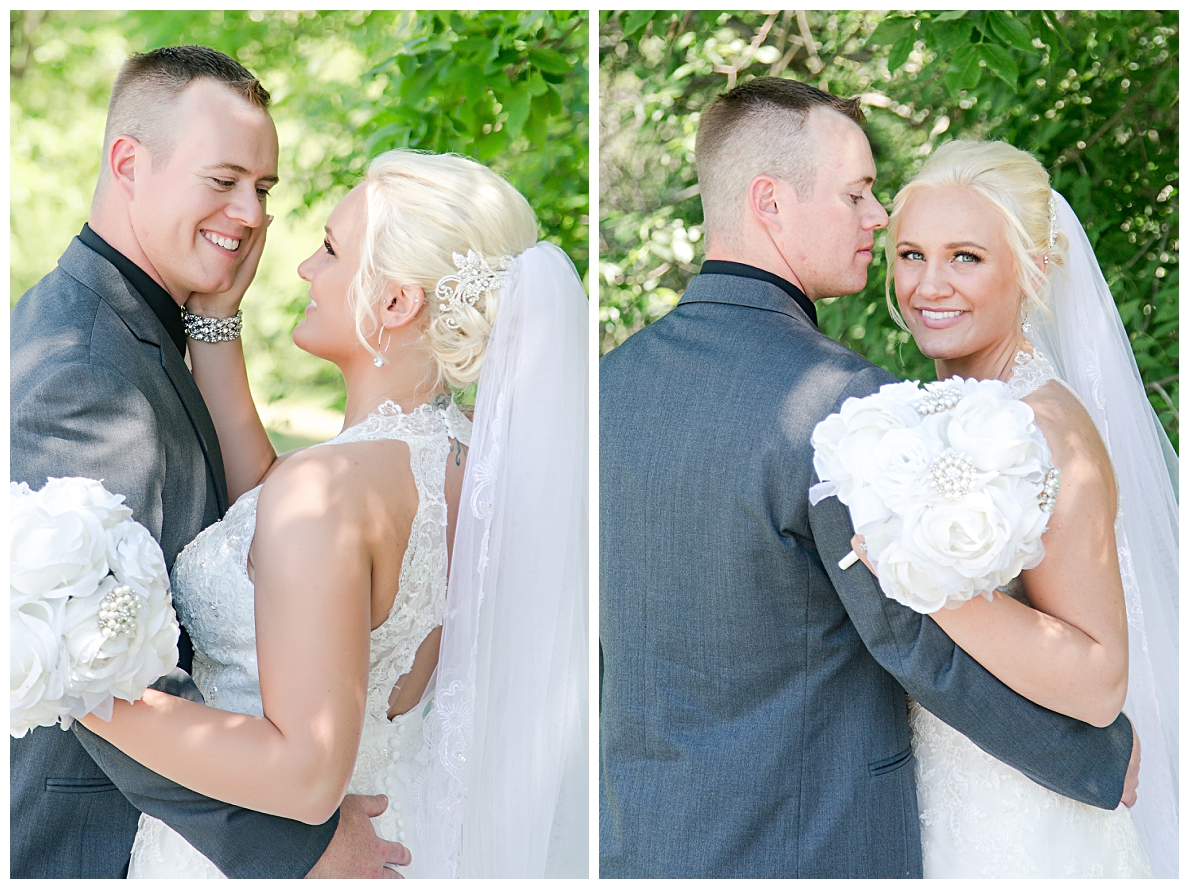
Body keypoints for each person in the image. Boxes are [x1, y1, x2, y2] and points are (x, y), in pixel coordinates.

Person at [598, 76, 1139, 878]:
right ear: (771, 203)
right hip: (809, 838)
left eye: (961, 256)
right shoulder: (843, 405)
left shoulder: (612, 382)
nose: (876, 218)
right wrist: (1094, 757)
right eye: (857, 195)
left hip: (643, 837)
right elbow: (909, 637)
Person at [75, 147, 589, 879]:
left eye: (331, 249)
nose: (305, 269)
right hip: (400, 828)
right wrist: (218, 321)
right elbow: (265, 497)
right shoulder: (467, 464)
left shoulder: (330, 490)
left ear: (394, 303)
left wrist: (72, 680)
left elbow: (304, 774)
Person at [11, 45, 408, 879]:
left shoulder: (140, 329)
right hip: (85, 842)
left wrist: (214, 329)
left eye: (262, 188)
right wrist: (298, 844)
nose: (253, 214)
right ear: (129, 163)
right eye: (223, 179)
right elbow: (87, 665)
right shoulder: (82, 367)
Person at [859, 138, 1175, 877]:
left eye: (965, 257)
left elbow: (1098, 681)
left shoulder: (1043, 427)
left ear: (1031, 270)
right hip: (947, 803)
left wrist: (913, 572)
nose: (928, 285)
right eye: (910, 255)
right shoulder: (942, 414)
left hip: (1026, 825)